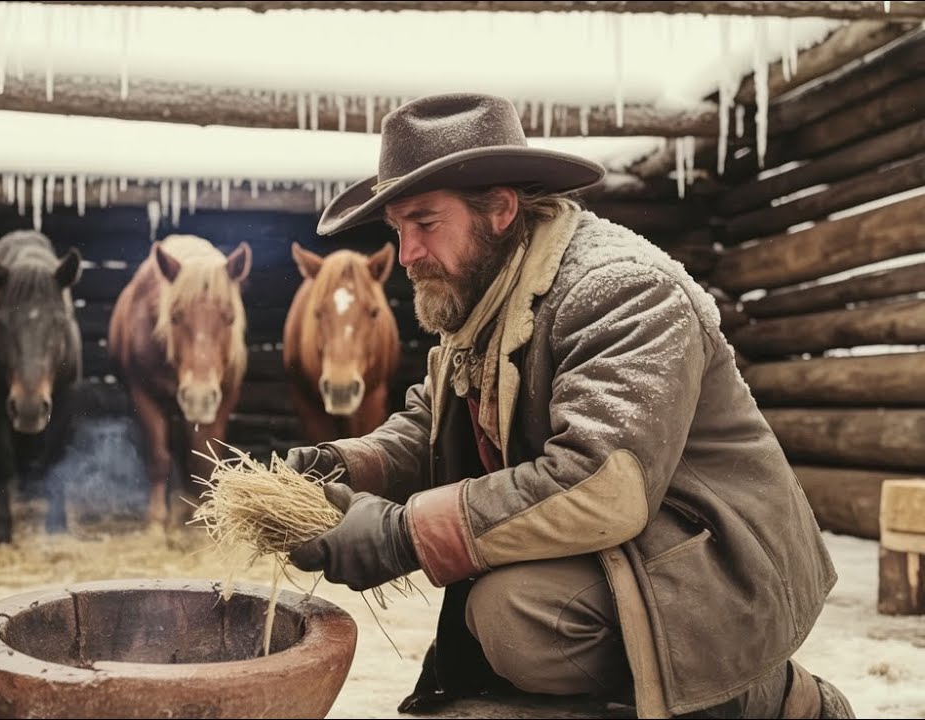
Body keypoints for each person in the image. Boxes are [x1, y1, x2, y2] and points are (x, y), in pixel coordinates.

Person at [282, 93, 854, 719]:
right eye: (399, 229)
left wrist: (404, 533)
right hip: (623, 552)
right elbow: (433, 421)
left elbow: (603, 485)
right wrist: (344, 465)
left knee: (515, 614)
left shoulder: (622, 291)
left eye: (425, 223)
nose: (408, 254)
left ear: (499, 210)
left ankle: (774, 700)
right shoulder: (486, 294)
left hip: (717, 564)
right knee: (506, 611)